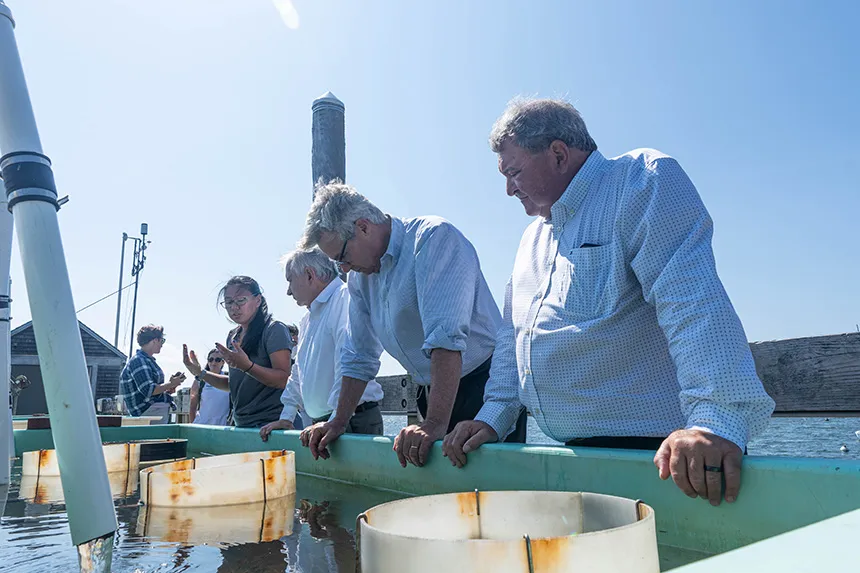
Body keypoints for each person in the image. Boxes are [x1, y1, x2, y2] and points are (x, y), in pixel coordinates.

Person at [442, 97, 776, 506]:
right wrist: (492, 417)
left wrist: (714, 421)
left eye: (514, 172)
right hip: (577, 457)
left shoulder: (639, 181)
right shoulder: (532, 238)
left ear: (559, 154)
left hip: (667, 459)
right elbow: (514, 337)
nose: (509, 189)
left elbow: (690, 301)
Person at [297, 182, 527, 468]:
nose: (343, 268)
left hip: (484, 388)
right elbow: (358, 355)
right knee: (444, 490)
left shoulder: (433, 238)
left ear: (363, 227)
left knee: (492, 486)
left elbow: (445, 338)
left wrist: (433, 423)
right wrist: (338, 421)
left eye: (342, 257)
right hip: (431, 391)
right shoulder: (359, 279)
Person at [260, 248, 385, 442]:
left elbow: (350, 360)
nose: (288, 291)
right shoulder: (307, 319)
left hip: (350, 421)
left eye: (290, 280)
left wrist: (336, 419)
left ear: (310, 275)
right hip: (326, 423)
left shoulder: (346, 298)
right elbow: (299, 371)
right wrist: (287, 417)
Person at [182, 276, 293, 428]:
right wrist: (201, 373)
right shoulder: (233, 336)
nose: (234, 307)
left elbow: (283, 379)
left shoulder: (274, 329)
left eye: (241, 300)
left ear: (258, 300)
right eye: (228, 302)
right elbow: (233, 385)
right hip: (241, 423)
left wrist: (247, 366)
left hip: (272, 424)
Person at [119, 325, 183, 423]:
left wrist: (167, 389)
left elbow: (150, 392)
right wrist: (170, 384)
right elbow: (149, 390)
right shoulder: (139, 360)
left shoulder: (145, 360)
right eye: (162, 341)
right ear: (154, 340)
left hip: (151, 414)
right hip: (147, 416)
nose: (162, 344)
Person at [188, 349, 231, 425]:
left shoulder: (229, 379)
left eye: (217, 360)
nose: (213, 363)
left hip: (222, 427)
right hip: (202, 425)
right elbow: (193, 405)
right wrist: (193, 425)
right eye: (211, 360)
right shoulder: (199, 380)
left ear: (223, 362)